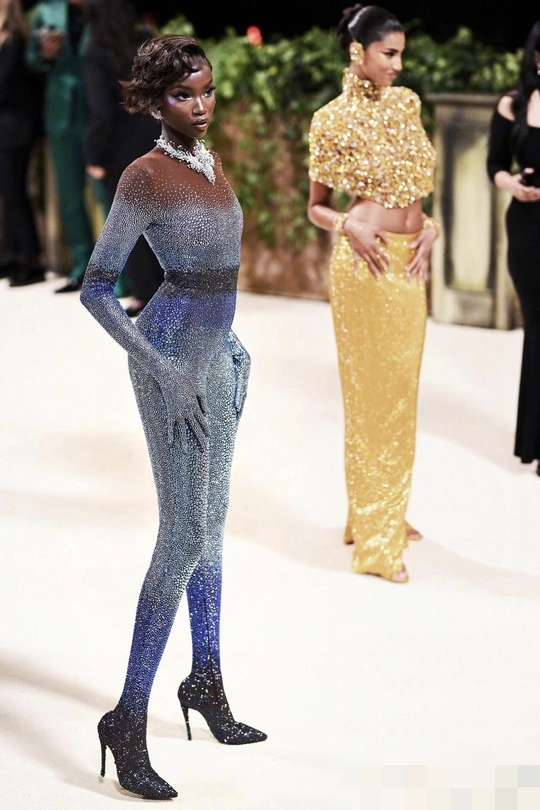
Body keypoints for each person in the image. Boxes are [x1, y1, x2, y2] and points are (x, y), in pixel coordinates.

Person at [80, 35, 266, 800]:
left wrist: (235, 350)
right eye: (184, 94)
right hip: (168, 363)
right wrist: (166, 369)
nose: (200, 104)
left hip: (216, 359)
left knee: (212, 527)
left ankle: (206, 680)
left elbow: (219, 274)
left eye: (207, 91)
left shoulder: (209, 163)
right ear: (155, 100)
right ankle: (126, 718)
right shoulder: (144, 174)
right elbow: (96, 288)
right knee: (183, 533)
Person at [307, 4, 439, 583]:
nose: (398, 64)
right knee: (369, 395)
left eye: (401, 54)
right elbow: (315, 207)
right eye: (389, 53)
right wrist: (347, 225)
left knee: (400, 393)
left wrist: (430, 227)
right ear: (358, 52)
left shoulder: (407, 104)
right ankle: (377, 545)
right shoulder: (331, 119)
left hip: (409, 262)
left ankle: (382, 509)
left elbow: (414, 193)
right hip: (366, 263)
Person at [81, 0, 163, 317]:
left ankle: (146, 294)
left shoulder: (96, 52)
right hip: (156, 138)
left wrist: (94, 155)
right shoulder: (147, 42)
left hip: (120, 148)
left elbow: (101, 111)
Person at [487, 20, 540, 477]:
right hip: (526, 224)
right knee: (537, 328)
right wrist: (514, 187)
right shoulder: (513, 103)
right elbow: (495, 165)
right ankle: (535, 444)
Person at [26, 0, 95, 293]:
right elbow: (31, 59)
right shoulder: (46, 11)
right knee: (70, 197)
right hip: (61, 115)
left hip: (97, 112)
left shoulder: (102, 8)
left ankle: (123, 273)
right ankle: (83, 266)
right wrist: (45, 54)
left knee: (109, 196)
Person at [0, 0, 45, 287]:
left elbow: (3, 86)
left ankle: (32, 261)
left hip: (15, 129)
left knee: (16, 194)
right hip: (7, 128)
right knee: (9, 194)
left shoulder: (15, 41)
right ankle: (14, 255)